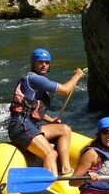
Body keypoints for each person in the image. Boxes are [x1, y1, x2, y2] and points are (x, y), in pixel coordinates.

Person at [8, 48, 85, 176]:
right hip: (20, 127)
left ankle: (66, 169)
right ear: (33, 63)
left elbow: (31, 108)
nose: (44, 65)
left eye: (47, 62)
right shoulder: (34, 79)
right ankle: (51, 182)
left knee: (64, 129)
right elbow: (65, 90)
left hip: (30, 125)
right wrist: (77, 75)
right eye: (40, 62)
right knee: (51, 153)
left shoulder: (37, 83)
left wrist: (50, 120)